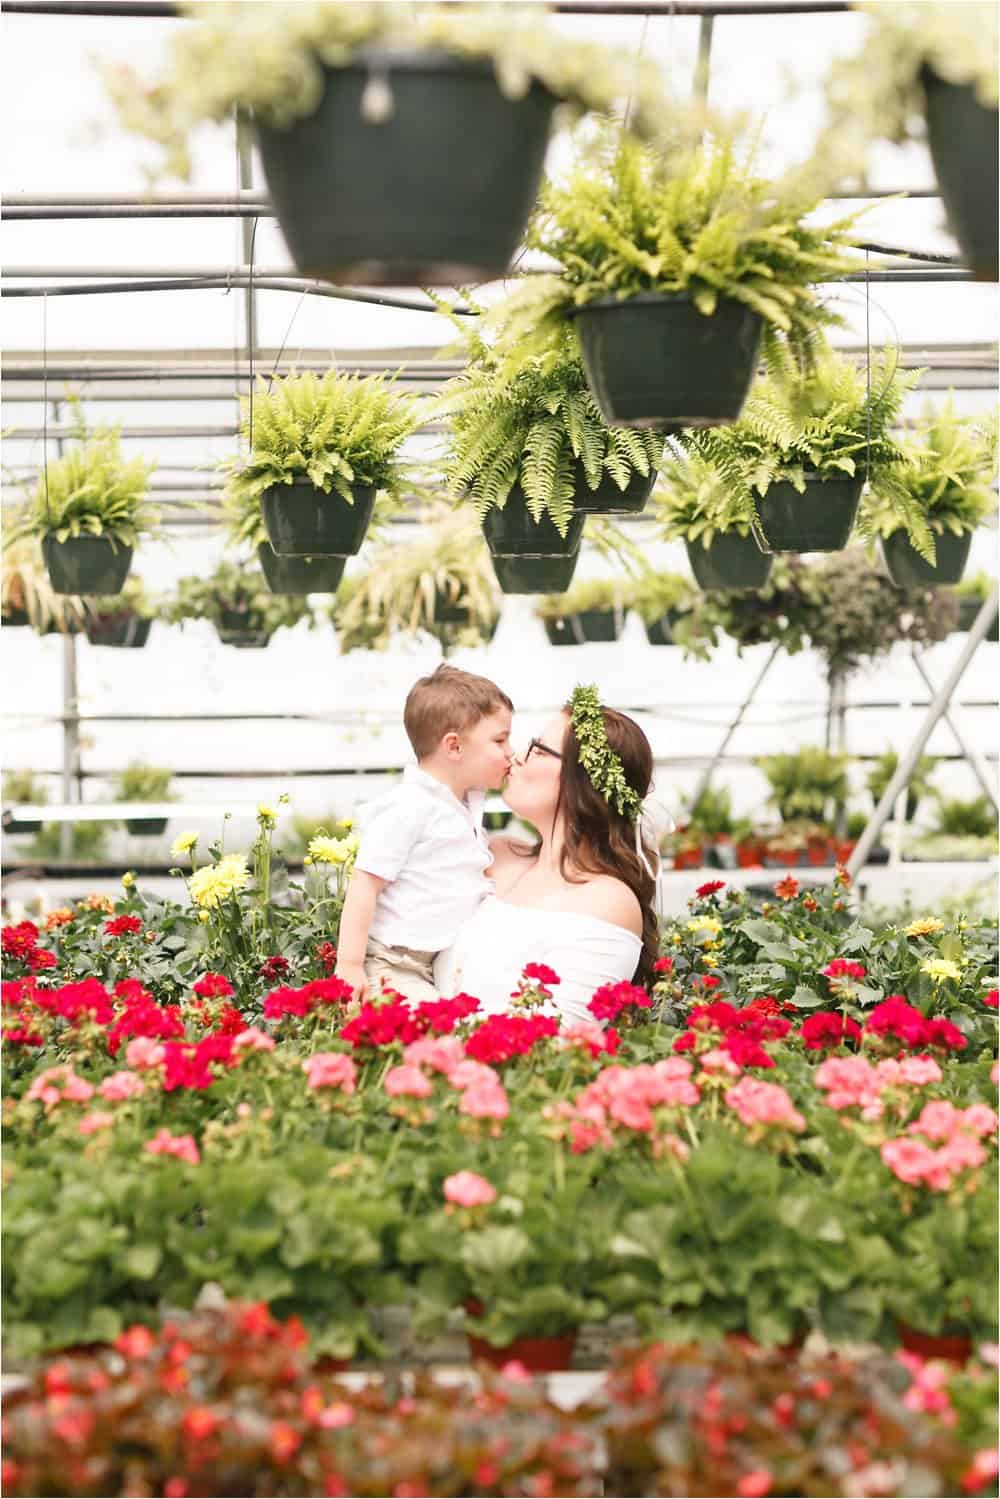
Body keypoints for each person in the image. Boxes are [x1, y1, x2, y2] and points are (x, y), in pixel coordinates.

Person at [434, 683, 660, 1026]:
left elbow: (556, 1041)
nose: (515, 758)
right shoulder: (494, 855)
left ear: (582, 779)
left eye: (538, 749)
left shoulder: (609, 901)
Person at [335, 664, 513, 1003]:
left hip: (433, 963)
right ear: (454, 747)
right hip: (392, 965)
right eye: (500, 740)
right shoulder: (410, 806)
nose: (510, 752)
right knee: (434, 1039)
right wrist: (349, 964)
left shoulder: (463, 803)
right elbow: (365, 884)